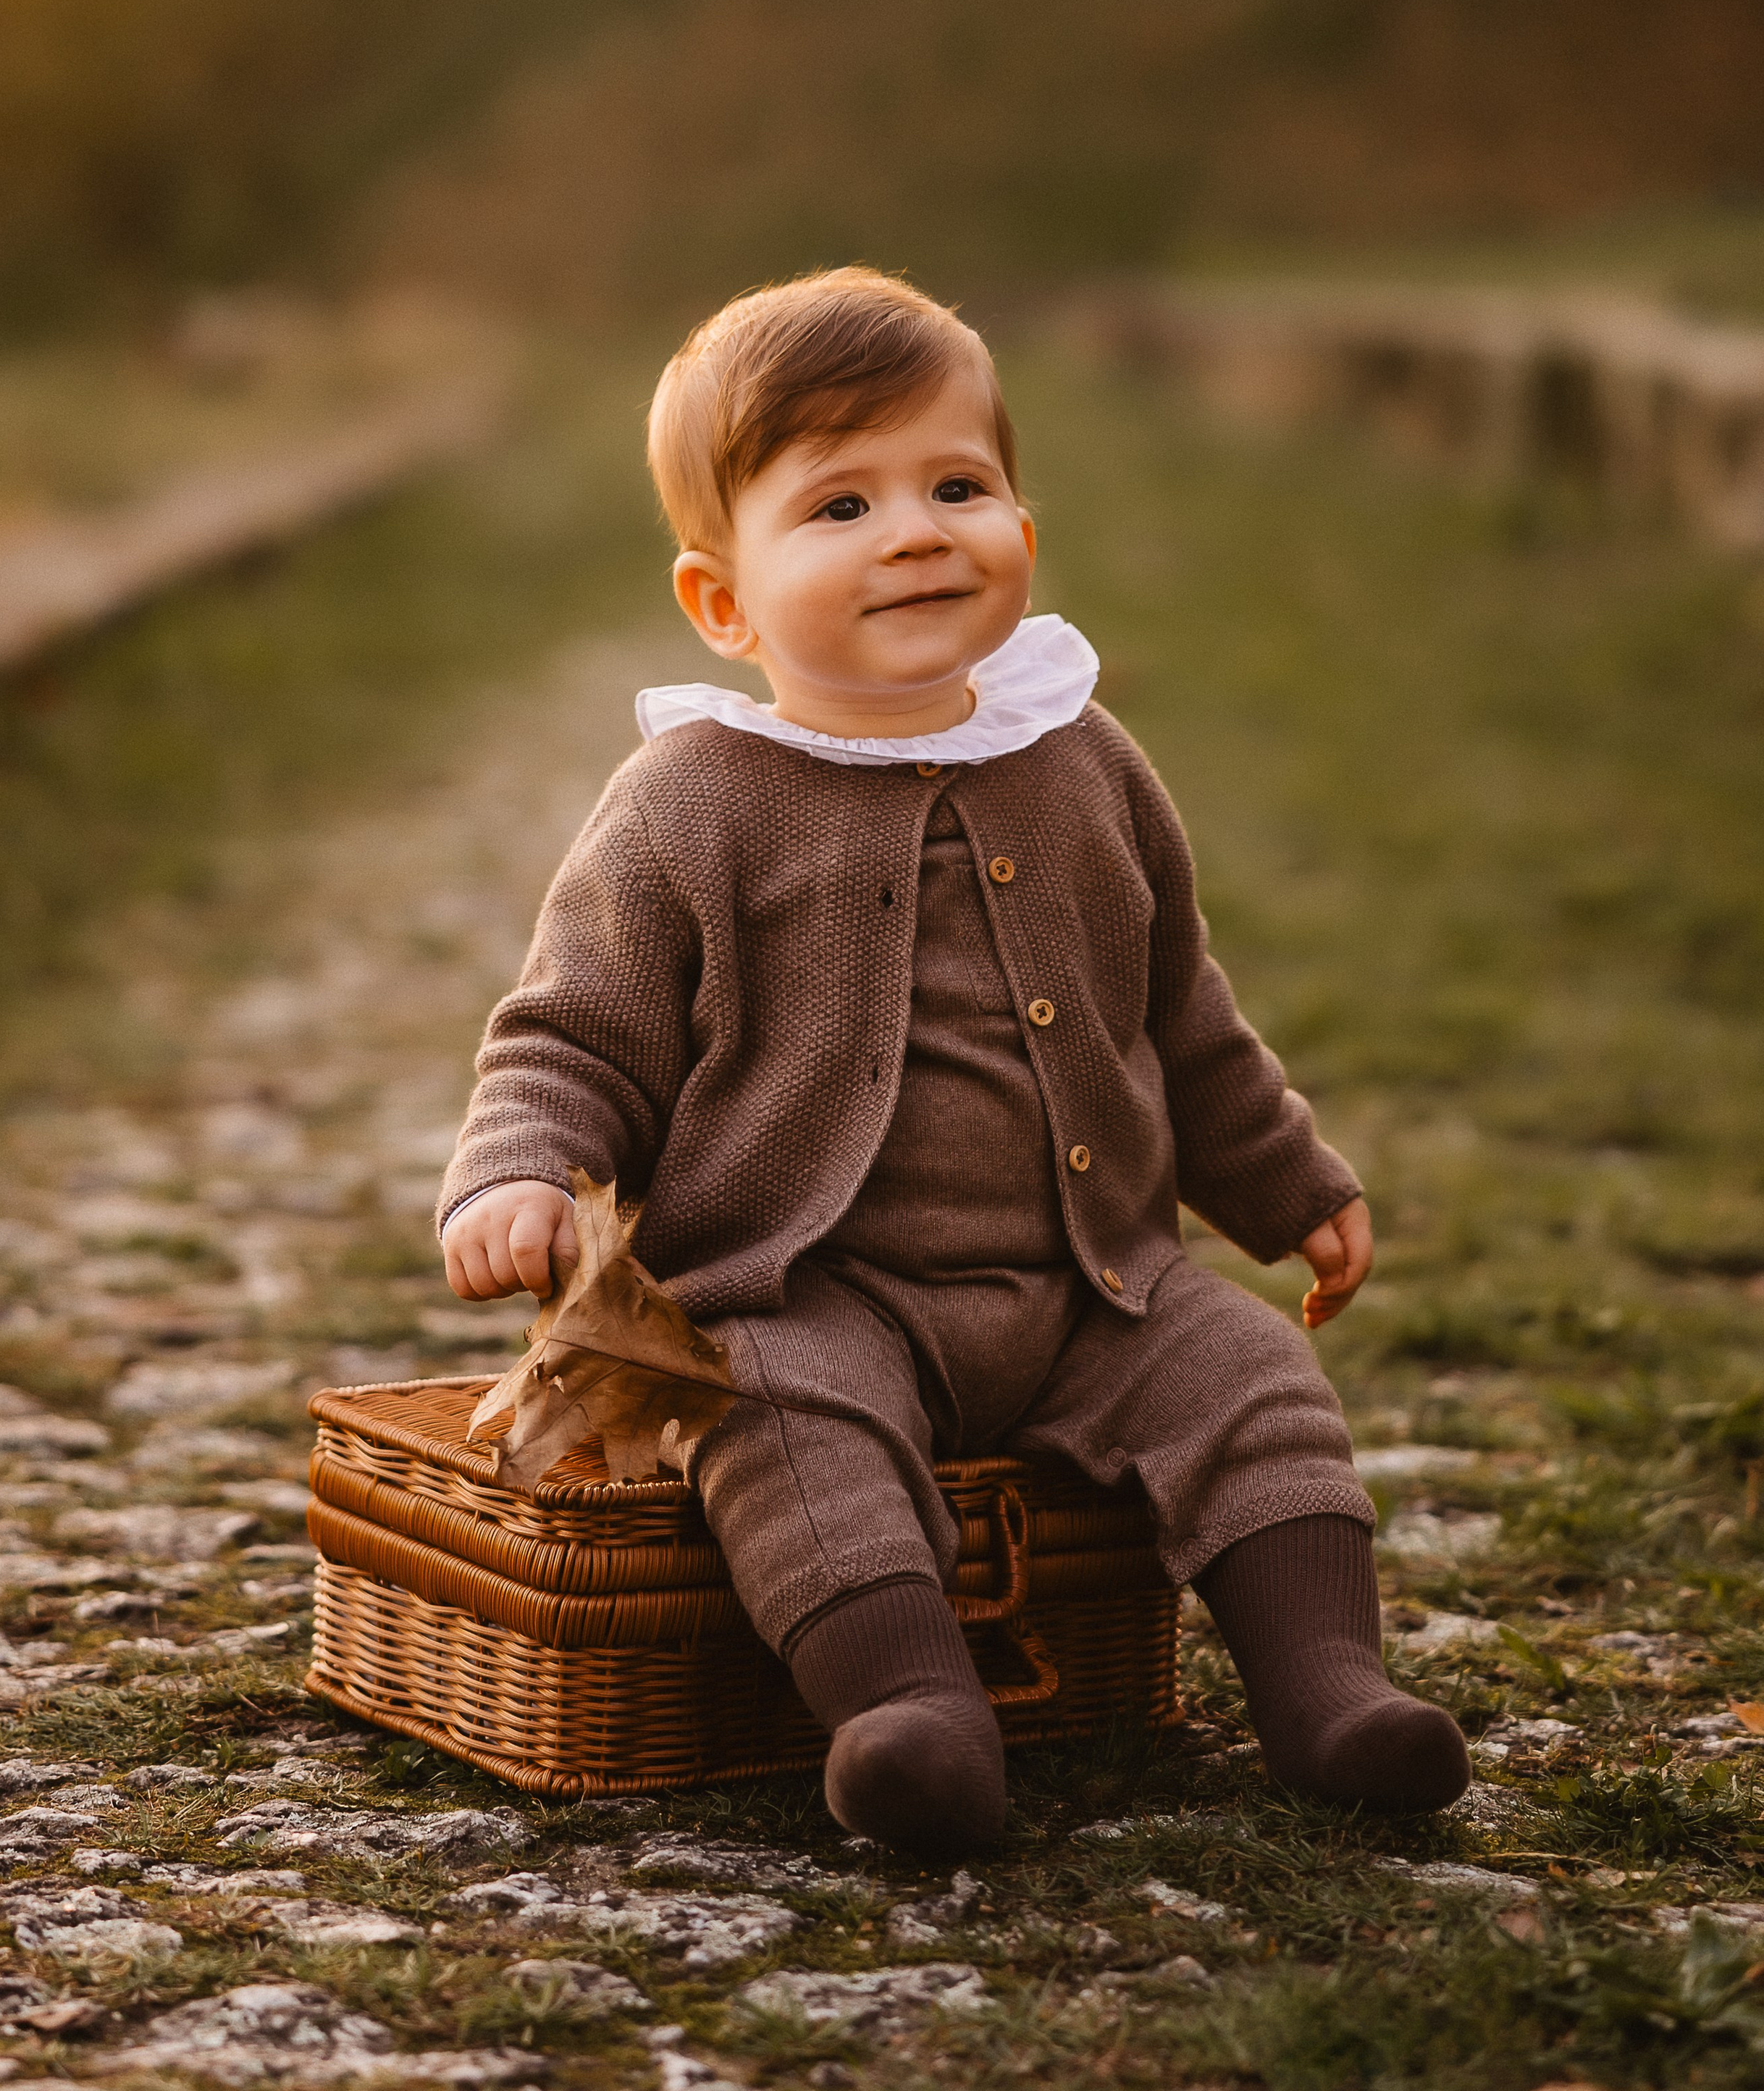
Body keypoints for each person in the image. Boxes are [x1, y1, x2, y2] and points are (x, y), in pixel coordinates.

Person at [437, 267, 1468, 1853]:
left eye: (956, 486)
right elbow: (574, 1025)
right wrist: (512, 1167)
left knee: (1252, 1378)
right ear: (723, 600)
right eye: (839, 503)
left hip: (1090, 1280)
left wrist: (1285, 1181)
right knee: (774, 1424)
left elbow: (1178, 1009)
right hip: (811, 1289)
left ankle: (1328, 1690)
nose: (915, 530)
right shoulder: (688, 802)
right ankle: (908, 1709)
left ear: (1022, 539)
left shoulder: (1085, 761)